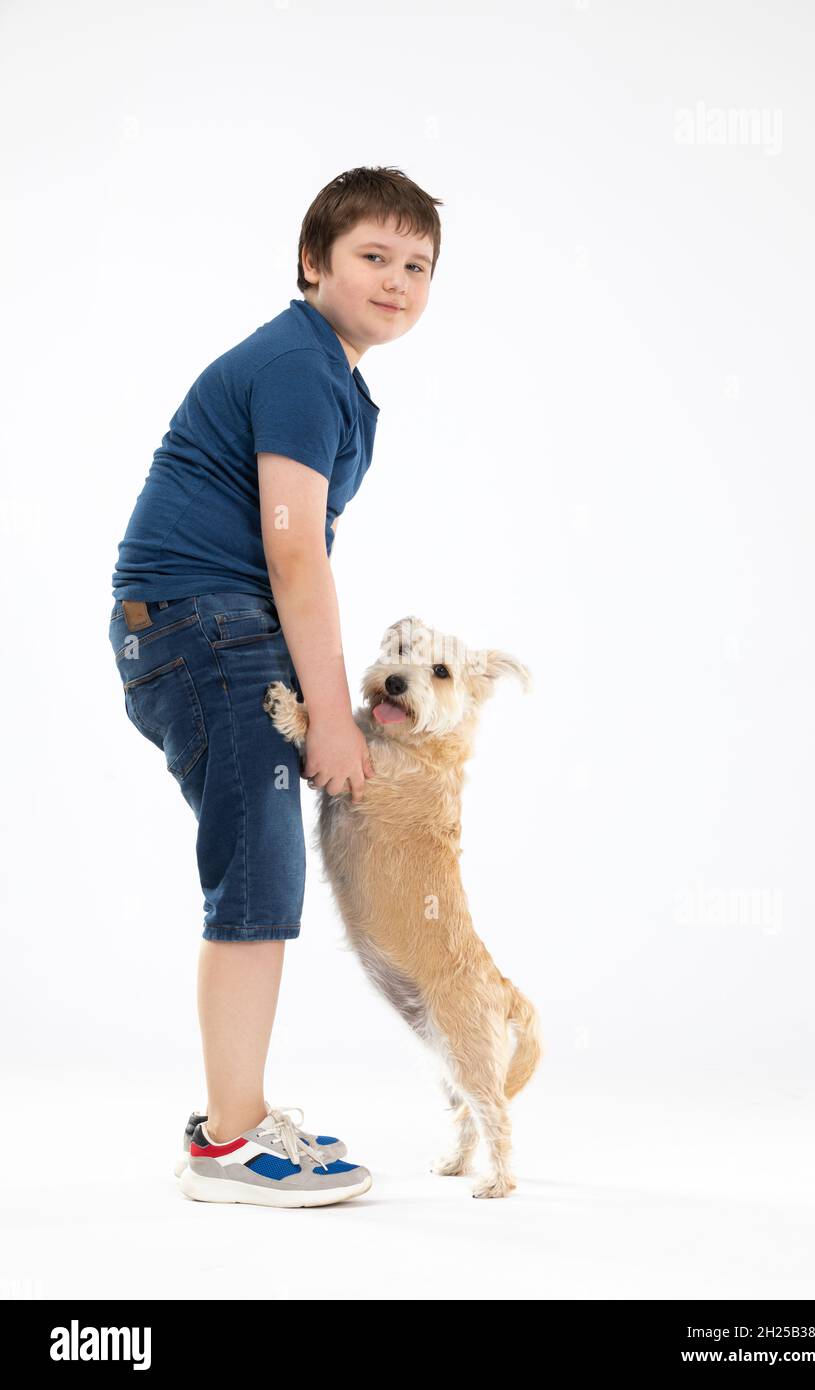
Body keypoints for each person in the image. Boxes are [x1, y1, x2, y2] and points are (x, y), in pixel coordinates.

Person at [107, 165, 443, 1208]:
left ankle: (234, 1116)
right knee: (255, 878)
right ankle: (228, 1141)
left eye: (417, 265)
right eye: (371, 257)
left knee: (255, 872)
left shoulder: (326, 373)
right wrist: (336, 722)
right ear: (313, 263)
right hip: (208, 624)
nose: (395, 280)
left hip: (198, 626)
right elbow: (293, 555)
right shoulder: (298, 367)